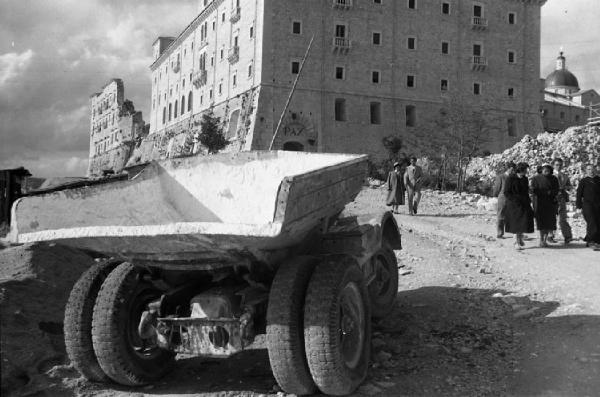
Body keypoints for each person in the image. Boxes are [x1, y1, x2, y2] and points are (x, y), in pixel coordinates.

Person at [504, 162, 534, 250]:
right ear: (520, 170)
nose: (526, 171)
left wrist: (528, 201)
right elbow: (506, 192)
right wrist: (514, 200)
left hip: (524, 203)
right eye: (525, 170)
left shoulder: (525, 179)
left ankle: (520, 239)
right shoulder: (510, 179)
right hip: (514, 204)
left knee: (523, 222)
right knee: (516, 223)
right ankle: (516, 242)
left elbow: (525, 191)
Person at [530, 164, 560, 247]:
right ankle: (541, 239)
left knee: (549, 222)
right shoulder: (536, 178)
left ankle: (545, 240)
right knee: (541, 223)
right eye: (544, 170)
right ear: (541, 170)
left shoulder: (554, 178)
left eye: (548, 170)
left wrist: (551, 193)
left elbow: (556, 189)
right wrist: (545, 193)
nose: (546, 172)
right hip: (539, 203)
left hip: (550, 203)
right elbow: (533, 190)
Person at [548, 158, 573, 244]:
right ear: (553, 165)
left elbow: (569, 186)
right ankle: (550, 235)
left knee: (562, 218)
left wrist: (565, 188)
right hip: (552, 198)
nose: (559, 166)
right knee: (551, 218)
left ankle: (567, 236)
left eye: (560, 165)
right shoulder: (549, 175)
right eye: (557, 165)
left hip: (561, 199)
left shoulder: (564, 176)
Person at [576, 164, 600, 249]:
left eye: (593, 169)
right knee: (591, 222)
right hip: (587, 205)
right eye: (589, 169)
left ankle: (596, 241)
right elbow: (579, 194)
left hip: (597, 205)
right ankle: (591, 241)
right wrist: (578, 206)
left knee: (597, 222)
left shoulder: (598, 180)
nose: (591, 171)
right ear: (586, 171)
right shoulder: (583, 181)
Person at [492, 161, 516, 238]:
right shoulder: (501, 177)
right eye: (512, 169)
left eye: (514, 169)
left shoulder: (514, 177)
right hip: (503, 198)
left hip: (512, 199)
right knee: (501, 215)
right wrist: (495, 195)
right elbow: (497, 188)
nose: (513, 170)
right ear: (508, 168)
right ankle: (500, 233)